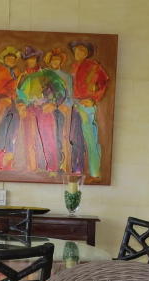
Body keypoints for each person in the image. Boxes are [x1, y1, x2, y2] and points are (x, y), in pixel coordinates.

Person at [16, 46, 66, 172]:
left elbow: (61, 89)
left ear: (37, 59)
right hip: (28, 110)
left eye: (33, 58)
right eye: (28, 58)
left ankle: (52, 170)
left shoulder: (47, 73)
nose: (30, 61)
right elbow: (19, 95)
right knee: (29, 140)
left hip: (44, 109)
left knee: (48, 138)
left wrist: (54, 104)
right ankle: (32, 169)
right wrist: (21, 106)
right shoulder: (23, 77)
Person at [68, 40, 109, 178]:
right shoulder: (74, 67)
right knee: (76, 139)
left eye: (82, 50)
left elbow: (103, 82)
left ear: (87, 53)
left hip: (86, 107)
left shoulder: (93, 66)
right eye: (76, 50)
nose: (78, 52)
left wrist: (94, 99)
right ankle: (77, 170)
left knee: (91, 139)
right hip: (75, 106)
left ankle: (95, 172)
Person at [0, 46, 21, 170]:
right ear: (4, 59)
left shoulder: (16, 73)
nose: (11, 60)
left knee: (12, 133)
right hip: (2, 104)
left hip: (14, 105)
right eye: (8, 58)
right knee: (1, 132)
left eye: (13, 58)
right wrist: (15, 82)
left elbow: (19, 89)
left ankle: (8, 163)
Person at [43, 47, 73, 171]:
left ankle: (58, 163)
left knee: (58, 135)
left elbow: (70, 96)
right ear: (49, 61)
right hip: (45, 110)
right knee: (46, 136)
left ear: (61, 61)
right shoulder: (44, 75)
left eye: (57, 59)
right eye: (53, 60)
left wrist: (62, 105)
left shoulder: (67, 77)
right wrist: (45, 105)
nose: (55, 62)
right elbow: (40, 93)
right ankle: (47, 164)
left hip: (60, 109)